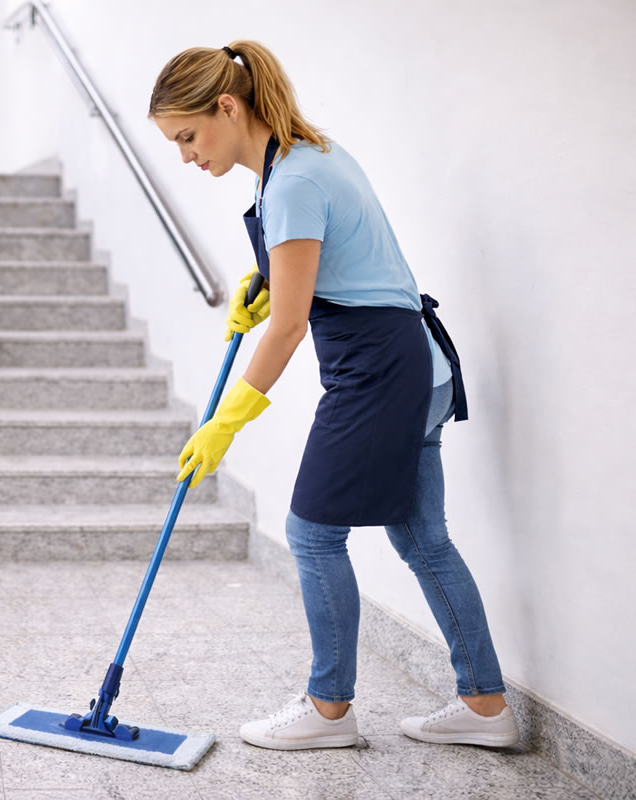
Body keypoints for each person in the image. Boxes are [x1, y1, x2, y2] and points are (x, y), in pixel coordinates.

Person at [149, 41, 520, 750]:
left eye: (189, 137)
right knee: (422, 537)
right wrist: (261, 286)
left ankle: (329, 711)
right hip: (410, 358)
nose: (187, 156)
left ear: (227, 106)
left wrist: (227, 422)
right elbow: (328, 269)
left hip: (378, 369)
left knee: (312, 534)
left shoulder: (291, 181)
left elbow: (290, 328)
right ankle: (484, 706)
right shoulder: (305, 156)